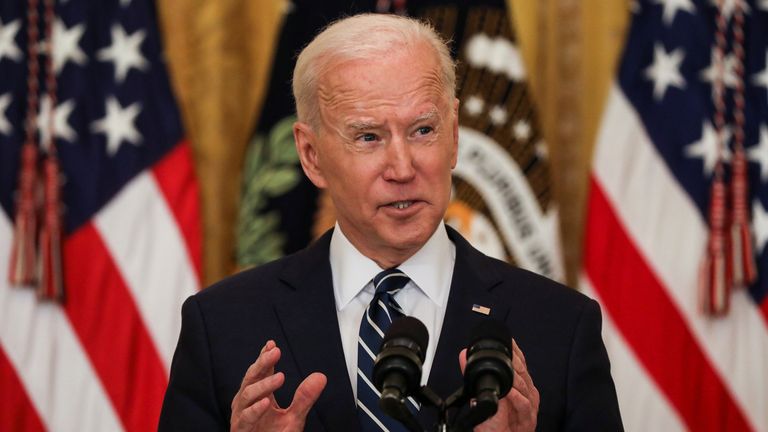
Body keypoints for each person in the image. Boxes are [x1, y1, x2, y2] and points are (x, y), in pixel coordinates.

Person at [159, 13, 623, 432]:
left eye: (423, 130)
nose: (402, 168)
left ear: (455, 135)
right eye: (368, 136)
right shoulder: (222, 326)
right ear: (311, 155)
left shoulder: (560, 327)